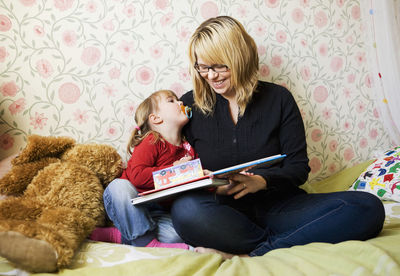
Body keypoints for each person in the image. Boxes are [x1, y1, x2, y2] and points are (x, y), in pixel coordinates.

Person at [171, 16, 385, 259]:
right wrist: (203, 182)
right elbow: (167, 153)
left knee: (367, 207)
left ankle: (257, 252)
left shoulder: (279, 99)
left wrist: (262, 181)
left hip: (282, 208)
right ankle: (289, 241)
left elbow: (298, 168)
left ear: (240, 57)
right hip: (225, 214)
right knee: (185, 210)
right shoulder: (189, 104)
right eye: (203, 67)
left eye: (220, 65)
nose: (211, 76)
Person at [91, 89, 195, 250]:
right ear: (156, 118)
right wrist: (173, 170)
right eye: (171, 101)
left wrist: (216, 185)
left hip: (158, 212)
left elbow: (192, 184)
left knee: (177, 235)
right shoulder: (151, 141)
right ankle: (146, 243)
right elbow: (137, 177)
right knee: (119, 187)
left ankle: (118, 235)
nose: (181, 103)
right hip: (132, 205)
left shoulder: (188, 149)